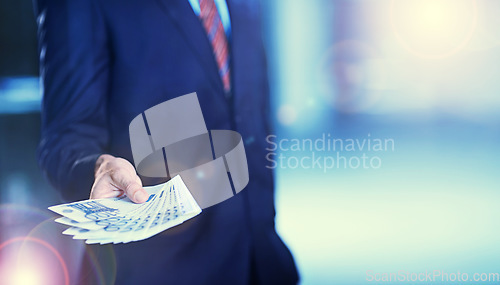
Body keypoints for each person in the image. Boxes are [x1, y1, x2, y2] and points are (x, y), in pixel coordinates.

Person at [34, 0, 299, 284]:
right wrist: (98, 168)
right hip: (163, 270)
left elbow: (250, 114)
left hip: (262, 261)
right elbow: (66, 139)